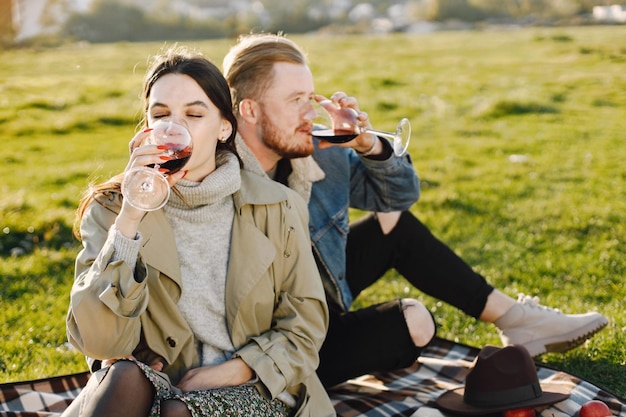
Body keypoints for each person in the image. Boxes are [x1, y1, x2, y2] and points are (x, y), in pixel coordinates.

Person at [221, 33, 609, 388]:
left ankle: (518, 321)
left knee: (395, 226)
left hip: (321, 294)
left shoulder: (318, 156)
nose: (310, 112)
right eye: (295, 101)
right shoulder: (219, 178)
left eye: (310, 97)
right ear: (251, 111)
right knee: (414, 323)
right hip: (279, 338)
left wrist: (370, 147)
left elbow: (399, 197)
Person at [63, 47, 334, 417]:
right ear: (146, 127)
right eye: (161, 115)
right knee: (124, 376)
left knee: (179, 412)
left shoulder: (279, 205)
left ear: (224, 127)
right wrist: (130, 217)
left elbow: (305, 328)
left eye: (194, 114)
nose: (175, 128)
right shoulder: (113, 209)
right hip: (162, 381)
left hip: (257, 386)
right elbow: (100, 342)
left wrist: (231, 370)